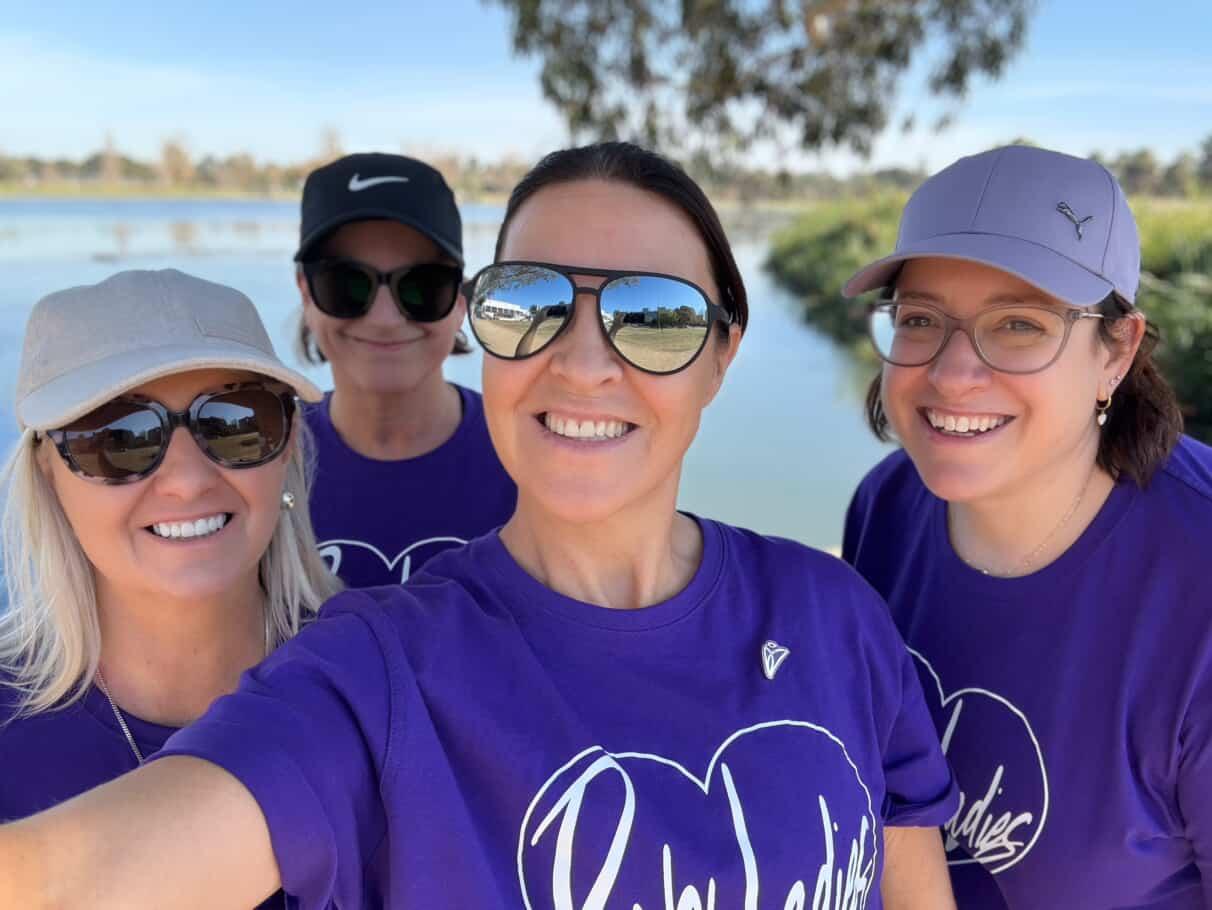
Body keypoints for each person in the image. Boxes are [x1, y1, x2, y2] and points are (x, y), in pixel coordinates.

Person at [0, 143, 958, 909]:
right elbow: (66, 879)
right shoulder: (374, 667)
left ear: (722, 356)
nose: (583, 363)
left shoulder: (836, 616)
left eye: (654, 316)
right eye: (532, 304)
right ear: (488, 335)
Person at [841, 145, 1211, 908]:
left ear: (1117, 350)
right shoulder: (884, 510)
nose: (951, 374)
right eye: (920, 319)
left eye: (1017, 324)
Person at [0, 269, 340, 908]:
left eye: (237, 421)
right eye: (118, 439)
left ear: (288, 446)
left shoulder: (379, 684)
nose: (186, 481)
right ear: (48, 475)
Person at [294, 152, 516, 587]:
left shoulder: (528, 455)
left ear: (459, 300)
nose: (384, 317)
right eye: (345, 283)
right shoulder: (262, 465)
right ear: (305, 291)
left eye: (422, 285)